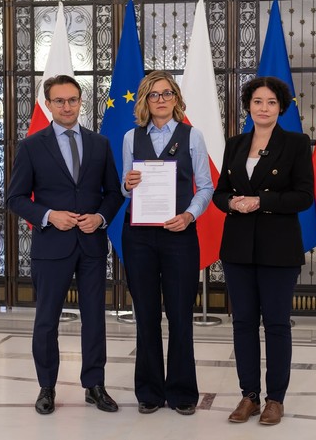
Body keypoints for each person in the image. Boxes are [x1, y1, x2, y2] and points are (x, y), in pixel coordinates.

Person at [6, 74, 124, 415]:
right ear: (48, 104)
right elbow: (15, 198)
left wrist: (100, 218)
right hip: (51, 246)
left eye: (73, 100)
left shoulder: (99, 144)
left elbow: (114, 193)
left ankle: (95, 385)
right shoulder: (31, 146)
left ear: (80, 102)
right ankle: (46, 387)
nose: (67, 106)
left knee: (95, 319)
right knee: (46, 321)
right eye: (59, 101)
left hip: (91, 245)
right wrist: (48, 215)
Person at [212, 76, 315, 425]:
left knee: (276, 324)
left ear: (281, 107)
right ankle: (249, 396)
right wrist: (231, 203)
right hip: (238, 247)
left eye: (271, 102)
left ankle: (275, 399)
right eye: (258, 101)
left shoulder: (296, 143)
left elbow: (304, 196)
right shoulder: (235, 144)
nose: (264, 108)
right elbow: (220, 192)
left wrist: (261, 201)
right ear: (248, 106)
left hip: (278, 248)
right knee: (242, 323)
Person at [121, 70, 213, 416]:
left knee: (179, 314)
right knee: (145, 314)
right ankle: (149, 391)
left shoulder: (193, 136)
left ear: (176, 98)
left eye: (167, 93)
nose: (161, 100)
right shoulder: (131, 137)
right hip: (139, 237)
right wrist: (127, 184)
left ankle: (182, 391)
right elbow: (124, 188)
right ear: (145, 100)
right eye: (153, 94)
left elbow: (206, 186)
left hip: (180, 235)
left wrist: (189, 215)